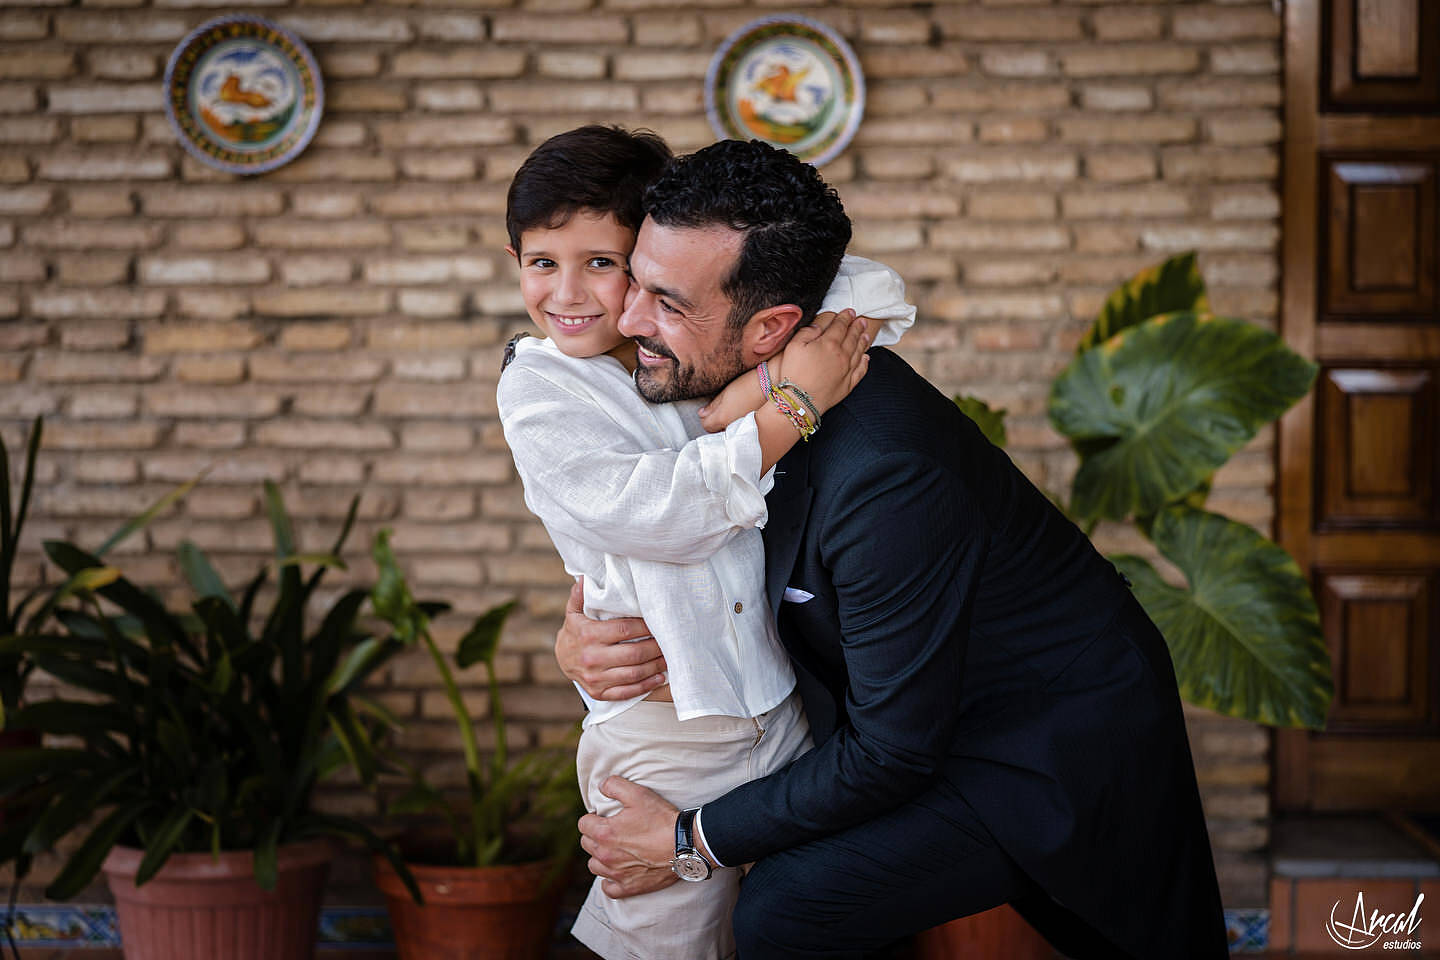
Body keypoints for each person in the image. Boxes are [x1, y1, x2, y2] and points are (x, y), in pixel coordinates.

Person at [557, 138, 1230, 959]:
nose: (627, 321)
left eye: (665, 302)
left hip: (1028, 740)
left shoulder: (887, 476)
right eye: (634, 278)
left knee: (789, 905)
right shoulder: (709, 369)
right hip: (894, 710)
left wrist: (689, 839)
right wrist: (585, 638)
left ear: (772, 329)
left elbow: (894, 752)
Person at [494, 125, 916, 960]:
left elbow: (878, 291)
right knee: (665, 942)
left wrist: (755, 384)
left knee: (784, 926)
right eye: (542, 263)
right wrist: (785, 408)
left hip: (781, 705)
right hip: (665, 728)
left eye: (602, 264)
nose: (570, 293)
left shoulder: (690, 336)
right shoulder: (540, 387)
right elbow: (659, 511)